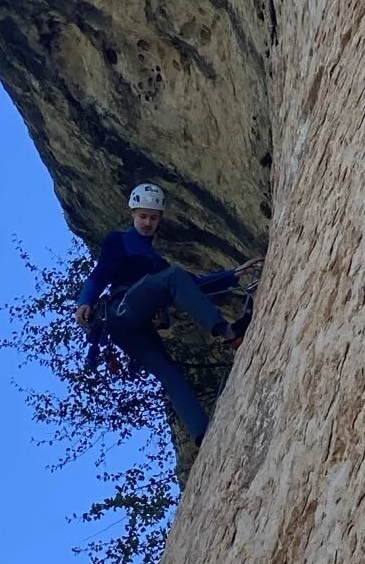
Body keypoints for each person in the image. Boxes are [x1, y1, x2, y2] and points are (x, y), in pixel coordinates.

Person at [75, 182, 263, 444]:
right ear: (133, 213)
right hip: (121, 308)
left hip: (134, 329)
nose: (147, 223)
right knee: (173, 276)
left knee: (170, 373)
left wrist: (234, 275)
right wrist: (85, 302)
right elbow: (99, 276)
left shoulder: (156, 261)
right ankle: (225, 331)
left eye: (153, 218)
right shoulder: (119, 241)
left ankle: (202, 435)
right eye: (142, 216)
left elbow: (194, 286)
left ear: (160, 219)